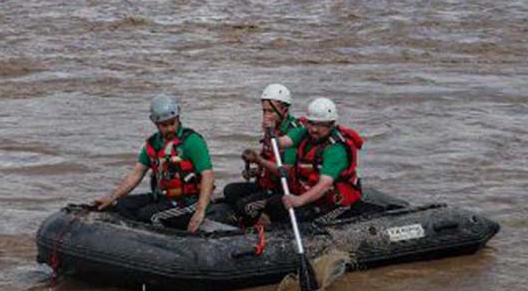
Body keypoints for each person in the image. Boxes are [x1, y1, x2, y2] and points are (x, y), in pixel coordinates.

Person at [92, 94, 214, 233]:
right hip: (163, 198)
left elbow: (207, 175)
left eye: (172, 123)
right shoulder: (153, 144)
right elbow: (136, 173)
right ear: (155, 123)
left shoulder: (192, 142)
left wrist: (200, 210)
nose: (169, 129)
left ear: (178, 118)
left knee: (151, 216)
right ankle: (135, 240)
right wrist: (112, 197)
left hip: (188, 202)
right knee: (123, 205)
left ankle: (169, 244)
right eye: (164, 125)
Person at [262, 97, 364, 223]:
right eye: (312, 123)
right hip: (314, 199)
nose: (314, 129)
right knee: (273, 204)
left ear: (332, 124)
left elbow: (324, 185)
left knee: (307, 221)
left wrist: (299, 200)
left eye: (321, 125)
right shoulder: (305, 132)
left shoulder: (336, 149)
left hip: (337, 205)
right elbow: (279, 143)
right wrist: (269, 130)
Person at [223, 84, 306, 225]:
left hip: (283, 190)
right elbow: (270, 163)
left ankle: (258, 226)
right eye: (264, 111)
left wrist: (259, 160)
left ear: (284, 111)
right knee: (230, 191)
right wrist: (256, 171)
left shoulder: (292, 134)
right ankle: (245, 218)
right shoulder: (272, 130)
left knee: (247, 206)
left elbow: (286, 171)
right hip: (268, 185)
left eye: (270, 111)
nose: (266, 116)